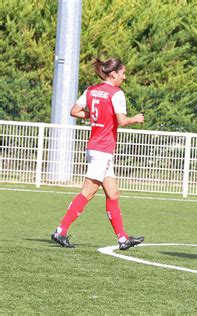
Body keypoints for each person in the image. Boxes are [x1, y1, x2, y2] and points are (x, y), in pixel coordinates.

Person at [51, 58, 145, 250]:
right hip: (102, 149)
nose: (124, 77)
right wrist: (135, 118)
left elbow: (74, 111)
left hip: (98, 148)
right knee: (88, 192)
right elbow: (121, 120)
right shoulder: (117, 93)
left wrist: (95, 116)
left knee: (113, 193)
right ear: (113, 74)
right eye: (122, 73)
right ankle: (60, 231)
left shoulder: (92, 90)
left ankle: (122, 239)